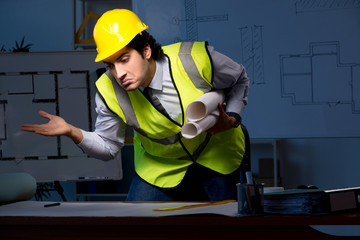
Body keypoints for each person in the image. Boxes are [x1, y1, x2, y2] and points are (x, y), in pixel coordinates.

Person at [21, 9, 250, 201]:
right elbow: (109, 147)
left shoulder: (194, 58)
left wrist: (232, 117)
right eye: (110, 65)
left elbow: (239, 79)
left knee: (231, 222)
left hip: (220, 153)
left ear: (146, 51)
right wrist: (73, 132)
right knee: (133, 226)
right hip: (161, 167)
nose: (119, 73)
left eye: (124, 59)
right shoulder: (107, 90)